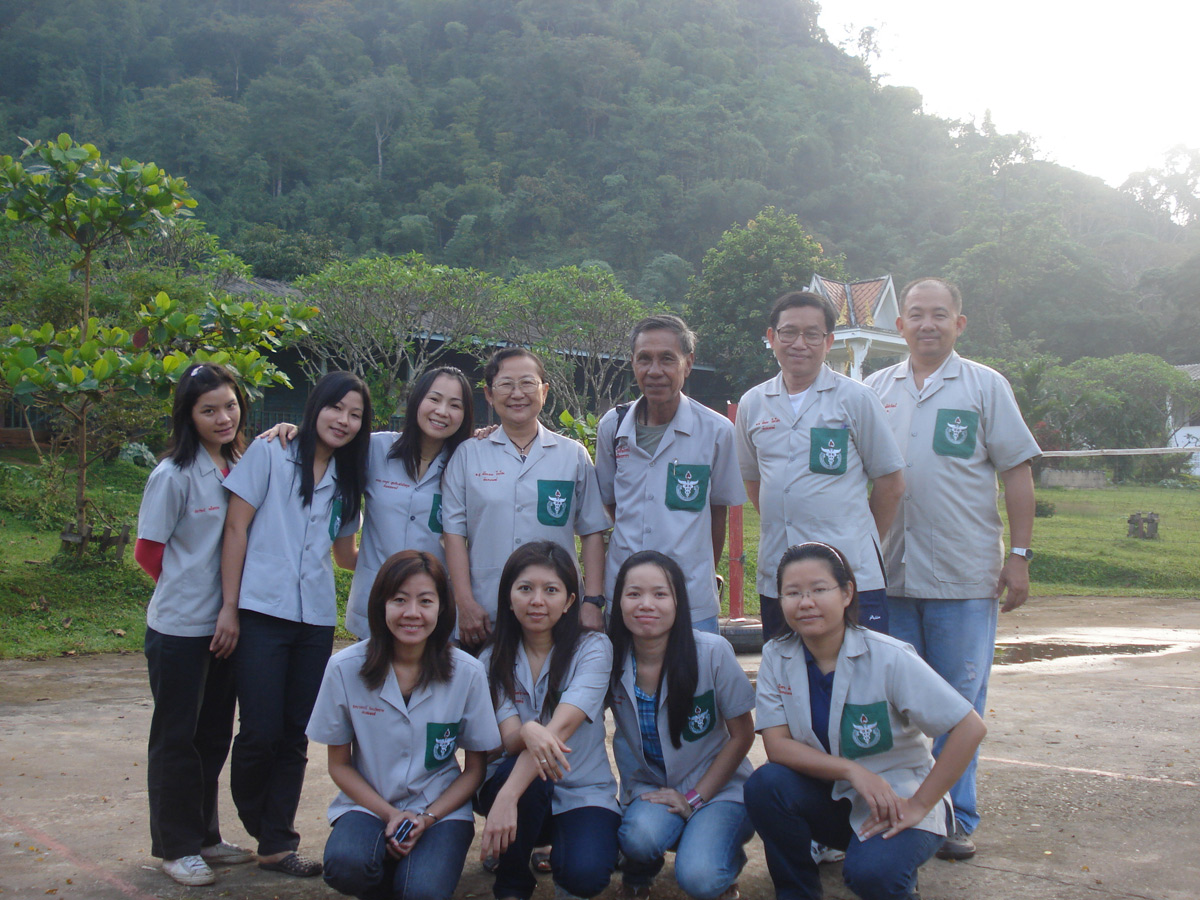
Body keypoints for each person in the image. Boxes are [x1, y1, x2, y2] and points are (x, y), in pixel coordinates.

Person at [864, 277, 1039, 860]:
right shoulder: (873, 390)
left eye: (939, 314)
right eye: (916, 314)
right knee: (893, 703)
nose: (927, 324)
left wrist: (1019, 556)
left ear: (959, 323)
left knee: (959, 702)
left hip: (963, 575)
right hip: (888, 575)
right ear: (900, 326)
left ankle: (955, 816)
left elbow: (1017, 471)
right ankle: (897, 808)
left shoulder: (986, 386)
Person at [743, 543, 987, 900]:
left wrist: (920, 804)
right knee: (766, 785)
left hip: (896, 801)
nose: (805, 602)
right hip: (835, 798)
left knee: (872, 876)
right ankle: (797, 893)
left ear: (847, 593)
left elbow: (970, 727)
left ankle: (897, 868)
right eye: (792, 593)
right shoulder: (777, 655)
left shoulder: (889, 657)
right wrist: (851, 770)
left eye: (819, 589)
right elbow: (777, 747)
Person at [221, 370, 372, 877]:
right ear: (315, 407)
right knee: (259, 732)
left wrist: (401, 563)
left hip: (315, 620)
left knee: (295, 735)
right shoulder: (270, 452)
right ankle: (257, 817)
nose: (344, 420)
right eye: (336, 408)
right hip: (261, 612)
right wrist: (229, 607)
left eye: (355, 415)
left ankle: (276, 842)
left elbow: (346, 555)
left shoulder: (348, 479)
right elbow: (236, 528)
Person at [307, 550, 501, 900]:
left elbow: (475, 770)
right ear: (380, 605)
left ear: (442, 608)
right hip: (369, 805)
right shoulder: (345, 668)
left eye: (425, 601)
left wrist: (426, 817)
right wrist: (391, 815)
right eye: (399, 600)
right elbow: (339, 765)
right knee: (346, 865)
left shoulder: (467, 673)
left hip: (440, 809)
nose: (412, 613)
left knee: (422, 891)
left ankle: (411, 871)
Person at [135, 363, 254, 886]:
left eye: (230, 406)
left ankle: (205, 836)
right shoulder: (173, 475)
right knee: (176, 739)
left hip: (228, 627)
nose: (223, 418)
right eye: (209, 410)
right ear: (188, 416)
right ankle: (175, 846)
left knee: (212, 736)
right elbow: (148, 552)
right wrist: (189, 592)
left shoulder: (240, 463)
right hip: (181, 628)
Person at [735, 291, 905, 638]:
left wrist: (858, 534)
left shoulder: (856, 399)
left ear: (828, 342)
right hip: (781, 576)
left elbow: (890, 482)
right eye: (788, 332)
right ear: (772, 337)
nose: (799, 344)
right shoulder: (753, 403)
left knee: (856, 668)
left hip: (850, 576)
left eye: (812, 334)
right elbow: (754, 480)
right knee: (787, 666)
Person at [260, 366, 475, 639]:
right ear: (417, 400)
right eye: (434, 399)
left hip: (435, 609)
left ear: (465, 414)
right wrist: (296, 432)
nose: (442, 411)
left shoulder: (468, 463)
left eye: (455, 405)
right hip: (376, 604)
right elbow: (326, 446)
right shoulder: (375, 450)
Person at [607, 551, 756, 900]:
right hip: (653, 789)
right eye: (633, 594)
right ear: (619, 601)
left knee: (701, 878)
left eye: (660, 594)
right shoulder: (609, 657)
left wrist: (695, 797)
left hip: (718, 790)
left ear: (678, 602)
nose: (646, 604)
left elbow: (743, 735)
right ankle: (656, 858)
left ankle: (719, 853)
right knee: (638, 838)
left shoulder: (713, 652)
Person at [478, 542, 620, 900]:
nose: (537, 601)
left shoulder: (593, 648)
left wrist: (507, 796)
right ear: (508, 598)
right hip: (523, 790)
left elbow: (560, 730)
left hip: (581, 790)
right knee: (529, 782)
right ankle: (511, 884)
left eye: (551, 590)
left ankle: (568, 847)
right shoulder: (491, 658)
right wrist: (526, 730)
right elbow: (510, 739)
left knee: (585, 876)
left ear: (570, 601)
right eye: (525, 588)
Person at [443, 348, 610, 648]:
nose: (517, 394)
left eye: (527, 383)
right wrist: (464, 602)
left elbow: (592, 531)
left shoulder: (572, 455)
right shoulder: (468, 454)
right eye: (506, 384)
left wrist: (593, 601)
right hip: (486, 609)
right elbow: (453, 534)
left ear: (544, 391)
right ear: (489, 394)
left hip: (558, 609)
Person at [595, 315, 746, 632]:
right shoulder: (613, 426)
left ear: (687, 363)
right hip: (625, 595)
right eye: (644, 359)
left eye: (667, 359)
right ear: (633, 363)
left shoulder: (716, 431)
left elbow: (717, 513)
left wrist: (701, 570)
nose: (654, 371)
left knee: (694, 665)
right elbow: (609, 502)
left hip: (691, 598)